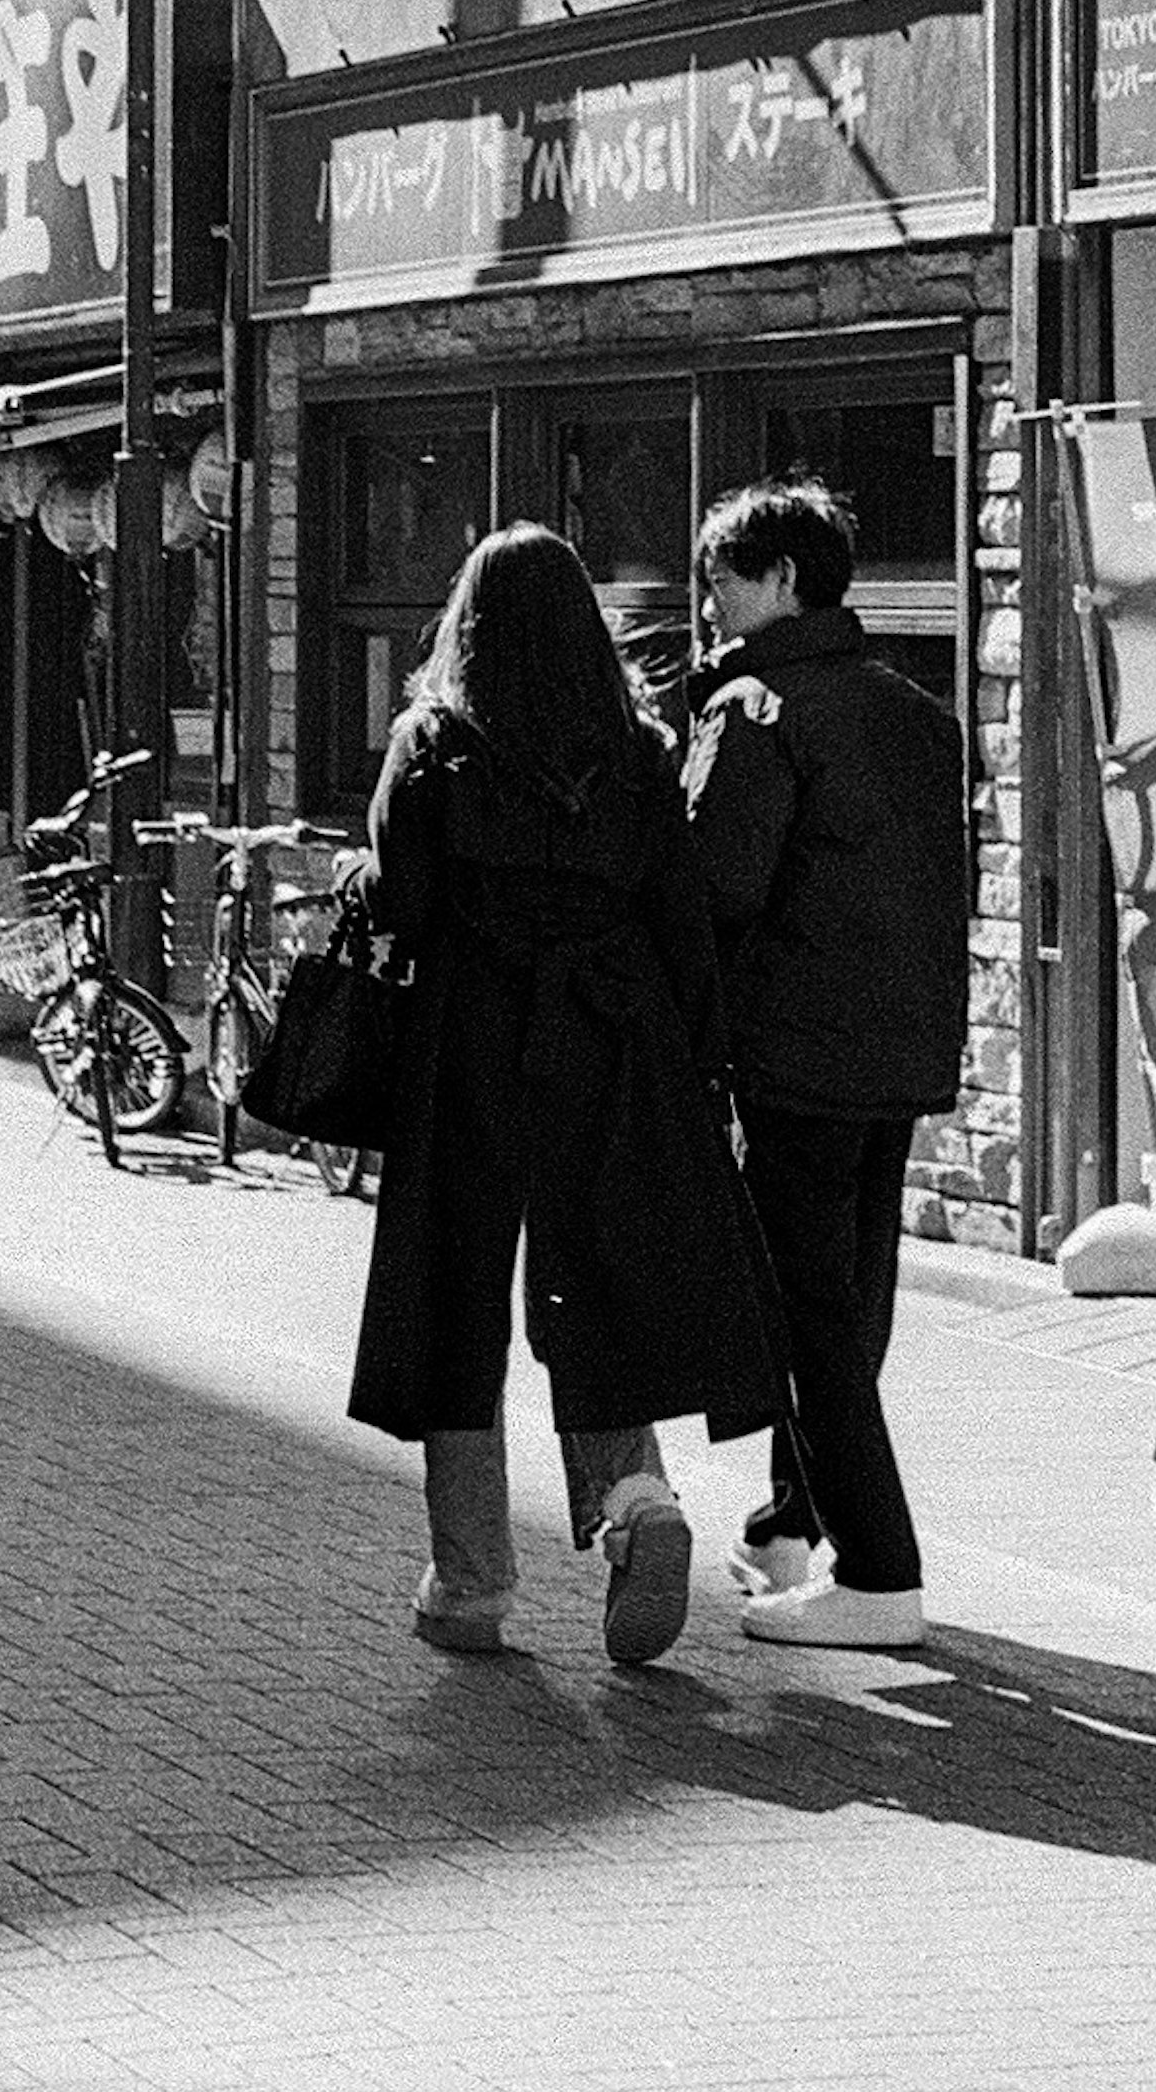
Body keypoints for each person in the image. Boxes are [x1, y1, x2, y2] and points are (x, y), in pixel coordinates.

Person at [350, 522, 782, 1666]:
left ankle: (474, 1582)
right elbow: (680, 918)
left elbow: (397, 905)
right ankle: (640, 1501)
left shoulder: (435, 744)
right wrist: (701, 1066)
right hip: (611, 1040)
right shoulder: (641, 750)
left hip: (470, 1047)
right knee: (594, 1288)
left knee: (457, 1304)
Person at [681, 479, 973, 1655]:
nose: (709, 601)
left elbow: (716, 891)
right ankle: (791, 1524)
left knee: (809, 1315)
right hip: (898, 1049)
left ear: (783, 580)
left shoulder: (759, 707)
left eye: (724, 577)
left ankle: (881, 1569)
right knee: (847, 1300)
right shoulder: (917, 711)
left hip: (794, 1052)